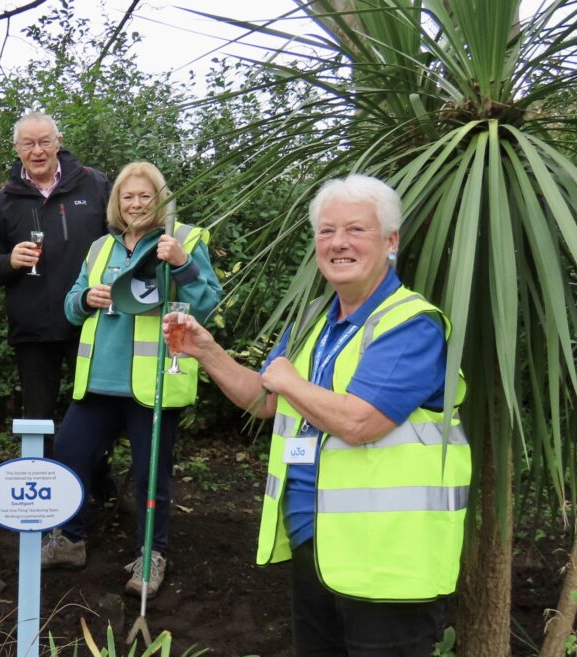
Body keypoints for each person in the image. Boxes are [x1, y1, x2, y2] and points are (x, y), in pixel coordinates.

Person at [165, 174, 471, 656]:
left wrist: (287, 379)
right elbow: (267, 402)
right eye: (326, 231)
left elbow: (359, 422)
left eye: (356, 230)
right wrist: (206, 350)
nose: (338, 243)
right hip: (318, 540)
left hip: (388, 560)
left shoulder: (410, 324)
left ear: (391, 242)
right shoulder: (312, 320)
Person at [40, 162, 221, 599]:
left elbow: (208, 303)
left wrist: (181, 265)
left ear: (160, 200)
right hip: (99, 381)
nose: (136, 204)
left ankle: (151, 554)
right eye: (128, 197)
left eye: (145, 196)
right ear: (116, 203)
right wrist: (85, 298)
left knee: (149, 476)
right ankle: (69, 540)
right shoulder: (101, 248)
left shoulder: (182, 243)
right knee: (68, 458)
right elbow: (69, 306)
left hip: (152, 383)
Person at [0, 110, 111, 422]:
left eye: (44, 142)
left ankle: (95, 472)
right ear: (16, 148)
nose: (37, 151)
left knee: (97, 409)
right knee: (38, 417)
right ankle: (40, 471)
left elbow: (120, 245)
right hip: (33, 328)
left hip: (89, 320)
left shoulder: (95, 185)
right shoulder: (1, 202)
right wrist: (9, 261)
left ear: (58, 143)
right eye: (28, 144)